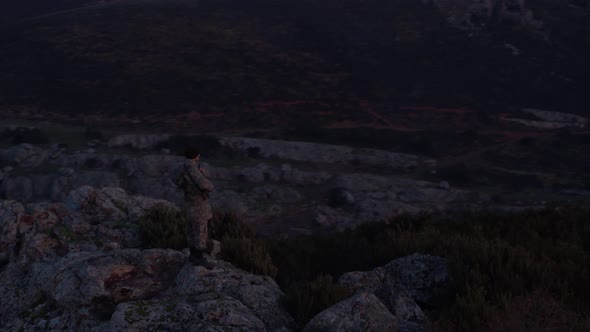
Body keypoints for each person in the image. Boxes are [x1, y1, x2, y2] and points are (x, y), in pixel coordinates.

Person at [175, 146, 214, 266]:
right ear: (197, 156)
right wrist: (208, 181)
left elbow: (176, 180)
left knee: (191, 229)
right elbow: (205, 185)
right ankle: (199, 257)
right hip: (198, 204)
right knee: (200, 229)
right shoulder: (192, 168)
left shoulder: (182, 166)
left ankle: (193, 255)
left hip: (189, 202)